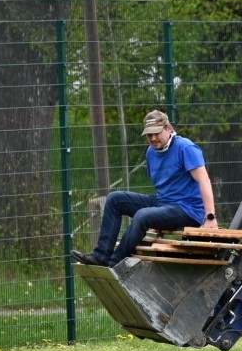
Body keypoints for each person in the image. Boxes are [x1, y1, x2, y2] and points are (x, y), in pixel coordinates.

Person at [71, 110, 218, 267]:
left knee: (142, 215)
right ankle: (100, 256)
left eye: (156, 133)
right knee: (115, 199)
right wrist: (159, 216)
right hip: (163, 202)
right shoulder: (151, 152)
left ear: (168, 128)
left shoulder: (186, 147)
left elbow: (204, 180)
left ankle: (113, 264)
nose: (153, 139)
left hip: (188, 210)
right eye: (149, 135)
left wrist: (210, 217)